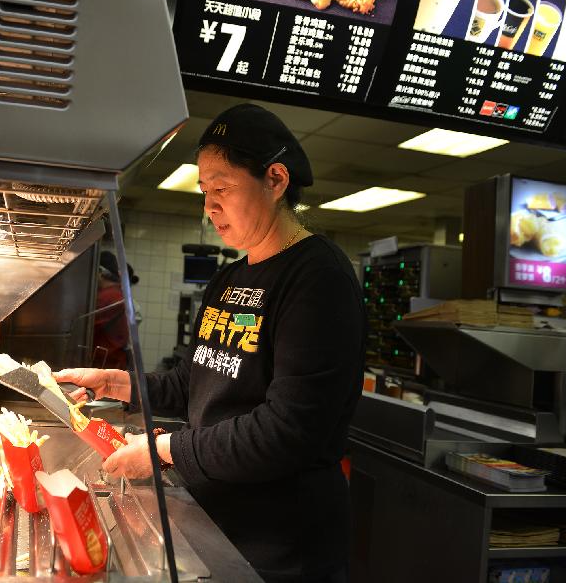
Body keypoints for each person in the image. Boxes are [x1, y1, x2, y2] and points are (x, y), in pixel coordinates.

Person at [56, 104, 366, 583]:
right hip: (218, 520)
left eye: (221, 188)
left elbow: (288, 431)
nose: (209, 206)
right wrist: (121, 384)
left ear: (276, 179)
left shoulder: (317, 277)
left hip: (281, 546)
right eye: (205, 192)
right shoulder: (230, 277)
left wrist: (165, 450)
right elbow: (195, 379)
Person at [92, 251, 140, 369]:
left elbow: (86, 325)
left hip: (107, 363)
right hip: (109, 361)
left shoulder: (109, 296)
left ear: (100, 272)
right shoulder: (117, 294)